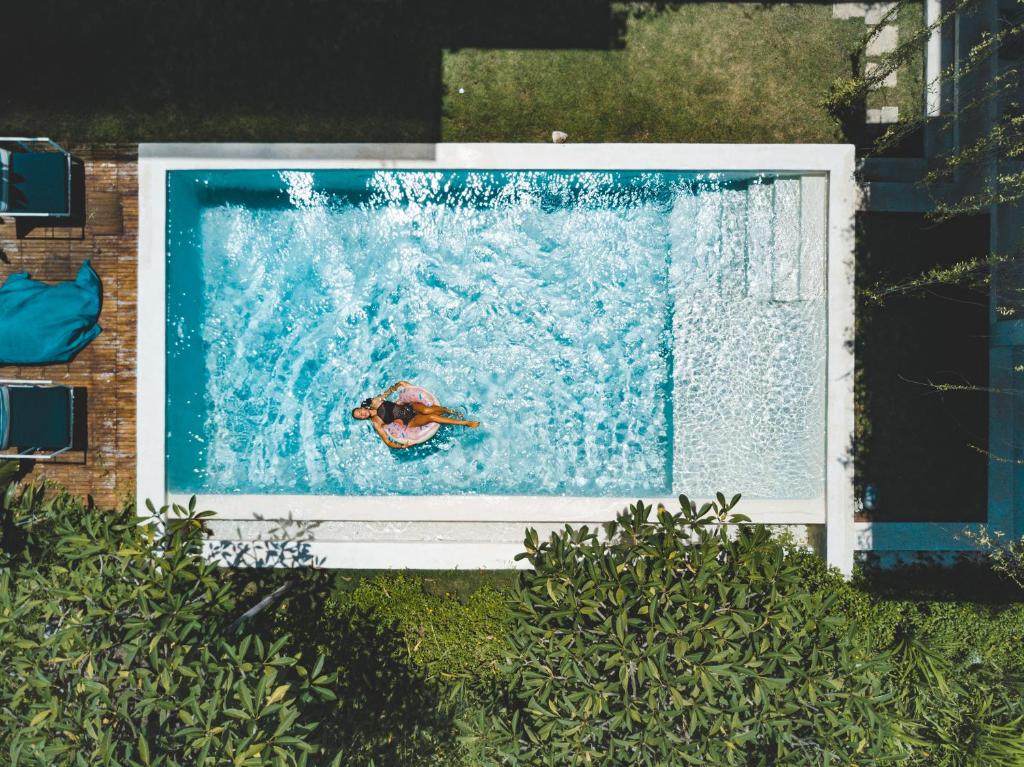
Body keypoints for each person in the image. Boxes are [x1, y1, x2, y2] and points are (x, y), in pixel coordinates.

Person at [351, 380, 479, 449]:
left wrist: (401, 385)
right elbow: (388, 442)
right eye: (360, 416)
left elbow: (390, 390)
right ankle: (466, 423)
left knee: (427, 410)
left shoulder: (376, 401)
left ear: (362, 407)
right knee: (431, 417)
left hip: (409, 406)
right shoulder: (376, 422)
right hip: (410, 421)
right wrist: (403, 445)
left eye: (359, 411)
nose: (362, 414)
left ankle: (451, 411)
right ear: (362, 418)